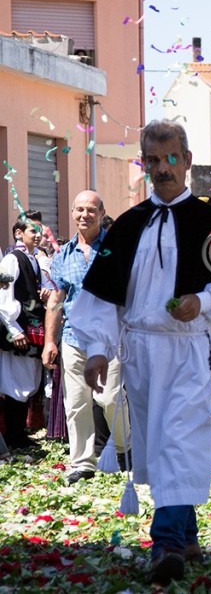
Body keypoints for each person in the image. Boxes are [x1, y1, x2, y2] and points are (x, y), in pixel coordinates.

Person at [71, 119, 211, 585]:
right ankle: (189, 533)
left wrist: (205, 302)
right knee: (159, 444)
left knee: (181, 438)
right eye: (153, 160)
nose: (162, 169)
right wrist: (96, 349)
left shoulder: (210, 223)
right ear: (144, 164)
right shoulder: (129, 225)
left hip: (188, 350)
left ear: (188, 161)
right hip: (140, 354)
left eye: (170, 158)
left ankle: (166, 545)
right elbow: (99, 297)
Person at [43, 191, 130, 484]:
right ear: (72, 213)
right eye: (79, 209)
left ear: (102, 213)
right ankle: (82, 463)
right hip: (73, 338)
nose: (84, 215)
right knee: (77, 402)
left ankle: (125, 449)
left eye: (91, 210)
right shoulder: (63, 255)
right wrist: (50, 341)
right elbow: (56, 299)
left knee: (111, 398)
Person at [0, 219, 47, 450]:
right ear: (19, 233)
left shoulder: (34, 259)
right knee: (15, 382)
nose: (37, 235)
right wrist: (13, 329)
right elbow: (4, 297)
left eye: (40, 231)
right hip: (17, 330)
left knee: (29, 379)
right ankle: (13, 437)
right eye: (33, 230)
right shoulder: (11, 260)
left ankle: (19, 434)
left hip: (31, 329)